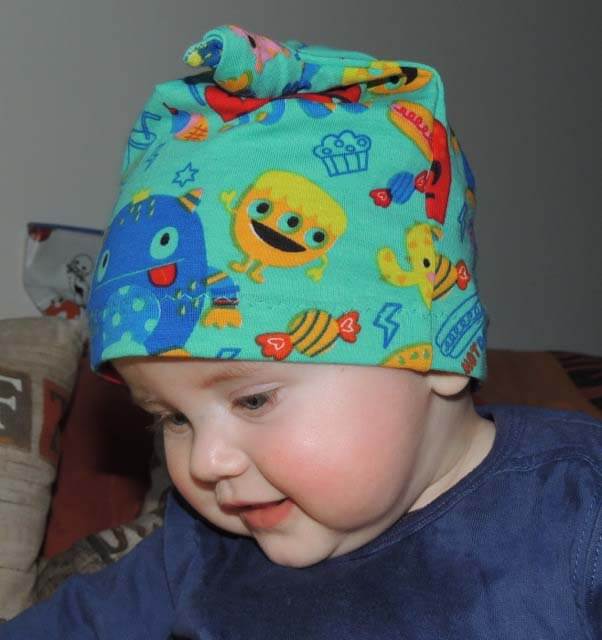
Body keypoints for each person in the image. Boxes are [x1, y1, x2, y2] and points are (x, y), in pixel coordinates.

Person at [2, 24, 601, 640]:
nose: (206, 462)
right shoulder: (197, 551)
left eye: (252, 400)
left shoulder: (577, 509)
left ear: (437, 354)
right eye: (173, 419)